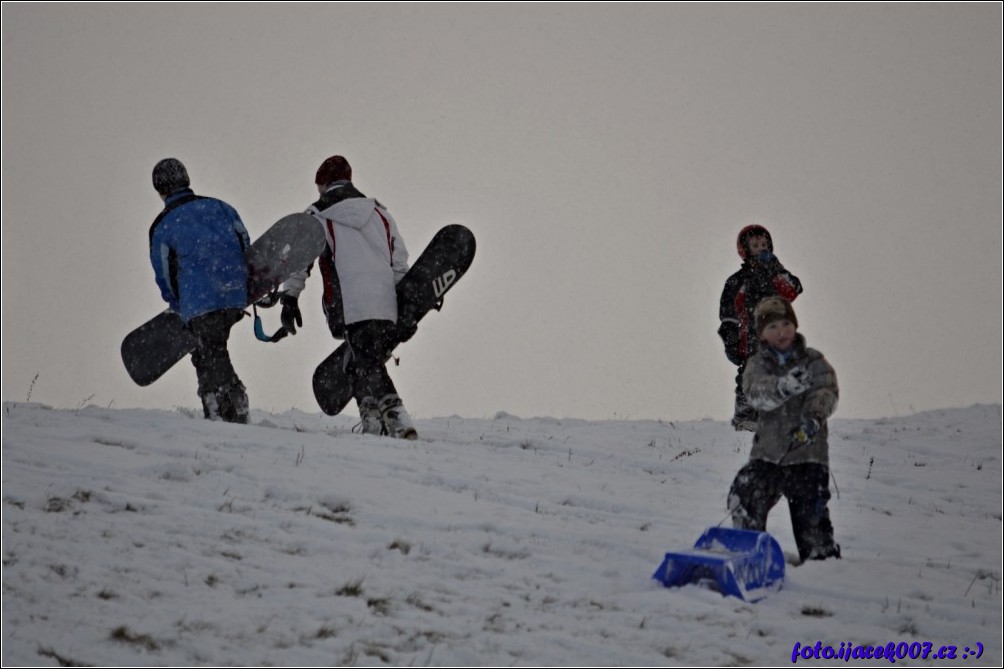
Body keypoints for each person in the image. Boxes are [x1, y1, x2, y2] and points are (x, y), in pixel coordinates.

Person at [279, 155, 417, 439]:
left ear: (323, 183)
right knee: (359, 358)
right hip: (385, 301)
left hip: (349, 302)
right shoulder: (380, 213)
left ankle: (397, 418)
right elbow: (399, 261)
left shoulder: (316, 215)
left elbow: (299, 261)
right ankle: (371, 417)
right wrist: (406, 303)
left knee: (368, 360)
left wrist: (290, 297)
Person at [727, 296, 840, 563]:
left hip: (807, 457)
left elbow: (825, 390)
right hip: (768, 457)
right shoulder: (757, 365)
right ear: (762, 335)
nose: (782, 332)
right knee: (745, 494)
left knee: (811, 522)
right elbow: (756, 394)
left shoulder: (813, 361)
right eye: (773, 327)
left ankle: (822, 565)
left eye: (786, 324)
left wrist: (812, 419)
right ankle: (749, 553)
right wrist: (782, 387)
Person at [149, 158, 251, 424]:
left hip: (200, 301)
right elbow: (244, 240)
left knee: (211, 350)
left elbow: (164, 274)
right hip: (234, 293)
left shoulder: (163, 225)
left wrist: (177, 304)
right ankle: (213, 405)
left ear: (160, 189)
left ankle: (232, 395)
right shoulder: (221, 207)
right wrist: (241, 280)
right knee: (206, 350)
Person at [718, 224, 803, 431]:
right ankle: (746, 415)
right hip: (749, 336)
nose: (761, 249)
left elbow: (793, 290)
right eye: (755, 245)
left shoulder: (776, 275)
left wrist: (775, 268)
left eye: (764, 245)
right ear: (745, 250)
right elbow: (728, 314)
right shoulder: (738, 280)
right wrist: (730, 338)